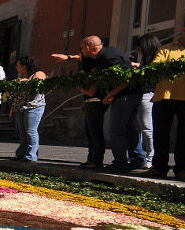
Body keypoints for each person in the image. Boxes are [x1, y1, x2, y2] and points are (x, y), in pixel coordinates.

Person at [53, 36, 135, 169]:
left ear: (87, 48)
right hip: (96, 99)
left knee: (103, 132)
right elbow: (79, 57)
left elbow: (126, 78)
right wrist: (68, 57)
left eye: (81, 49)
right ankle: (99, 159)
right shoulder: (101, 56)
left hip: (105, 98)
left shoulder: (104, 60)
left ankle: (106, 161)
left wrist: (110, 93)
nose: (80, 53)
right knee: (93, 132)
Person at [146, 29, 185, 179]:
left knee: (184, 135)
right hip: (164, 96)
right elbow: (156, 66)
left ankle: (182, 168)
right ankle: (159, 167)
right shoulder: (166, 49)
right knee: (161, 134)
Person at [132, 33, 162, 169]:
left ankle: (150, 157)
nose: (138, 51)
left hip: (148, 94)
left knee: (146, 127)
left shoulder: (156, 59)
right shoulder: (149, 59)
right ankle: (147, 156)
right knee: (144, 127)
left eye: (139, 48)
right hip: (146, 94)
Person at [10, 55, 47, 162]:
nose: (16, 68)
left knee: (31, 131)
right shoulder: (20, 78)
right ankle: (21, 154)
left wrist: (25, 82)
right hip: (19, 107)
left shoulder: (38, 74)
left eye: (18, 66)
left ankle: (31, 156)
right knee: (22, 132)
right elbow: (15, 94)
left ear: (24, 66)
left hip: (33, 106)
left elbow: (37, 86)